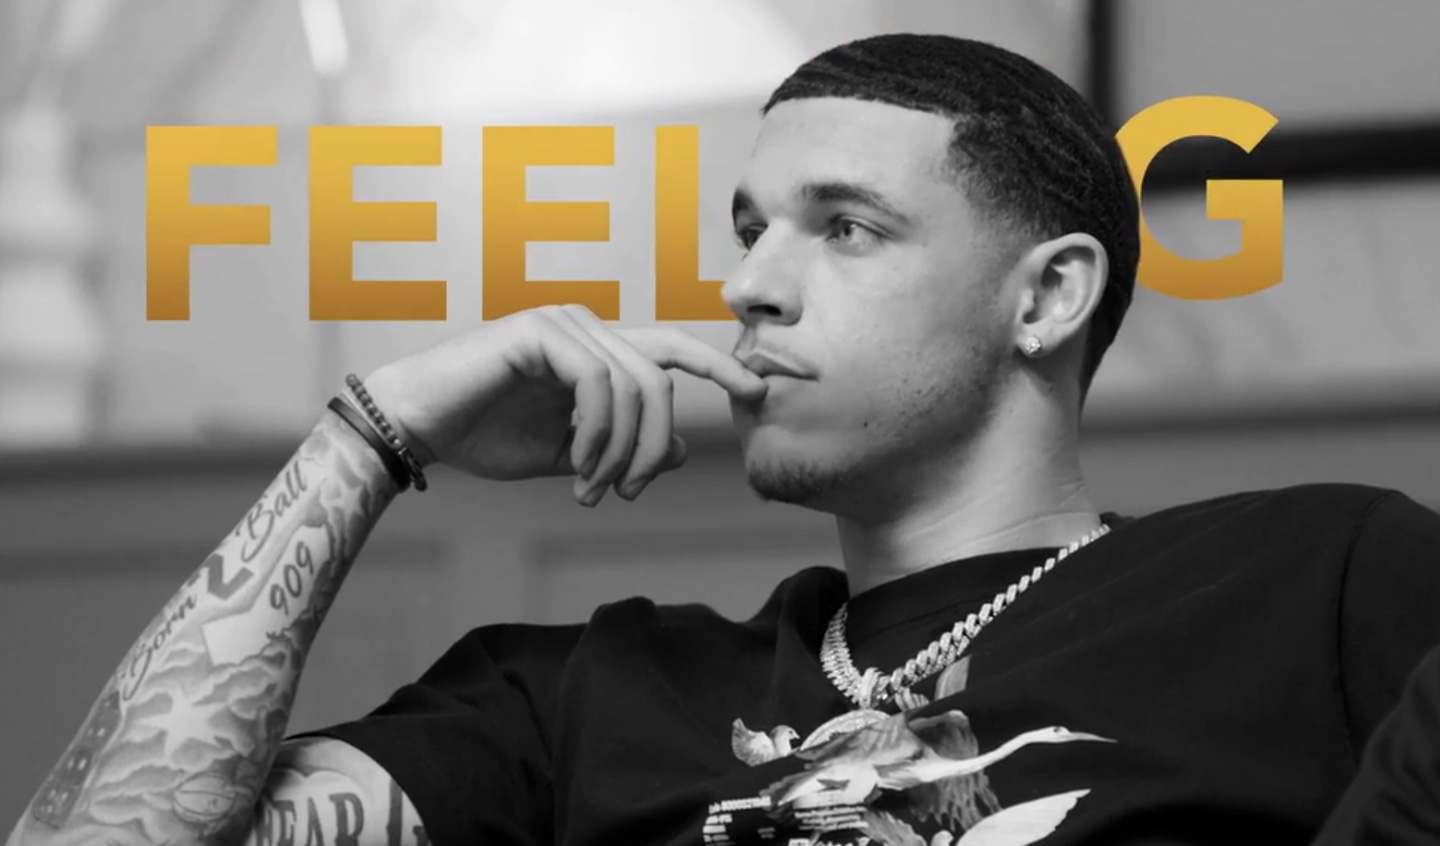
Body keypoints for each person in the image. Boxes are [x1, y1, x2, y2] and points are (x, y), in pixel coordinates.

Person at [9, 33, 1440, 846]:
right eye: (751, 230)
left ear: (1047, 296)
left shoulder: (1315, 579)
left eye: (846, 228)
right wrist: (369, 435)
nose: (750, 283)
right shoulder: (585, 695)